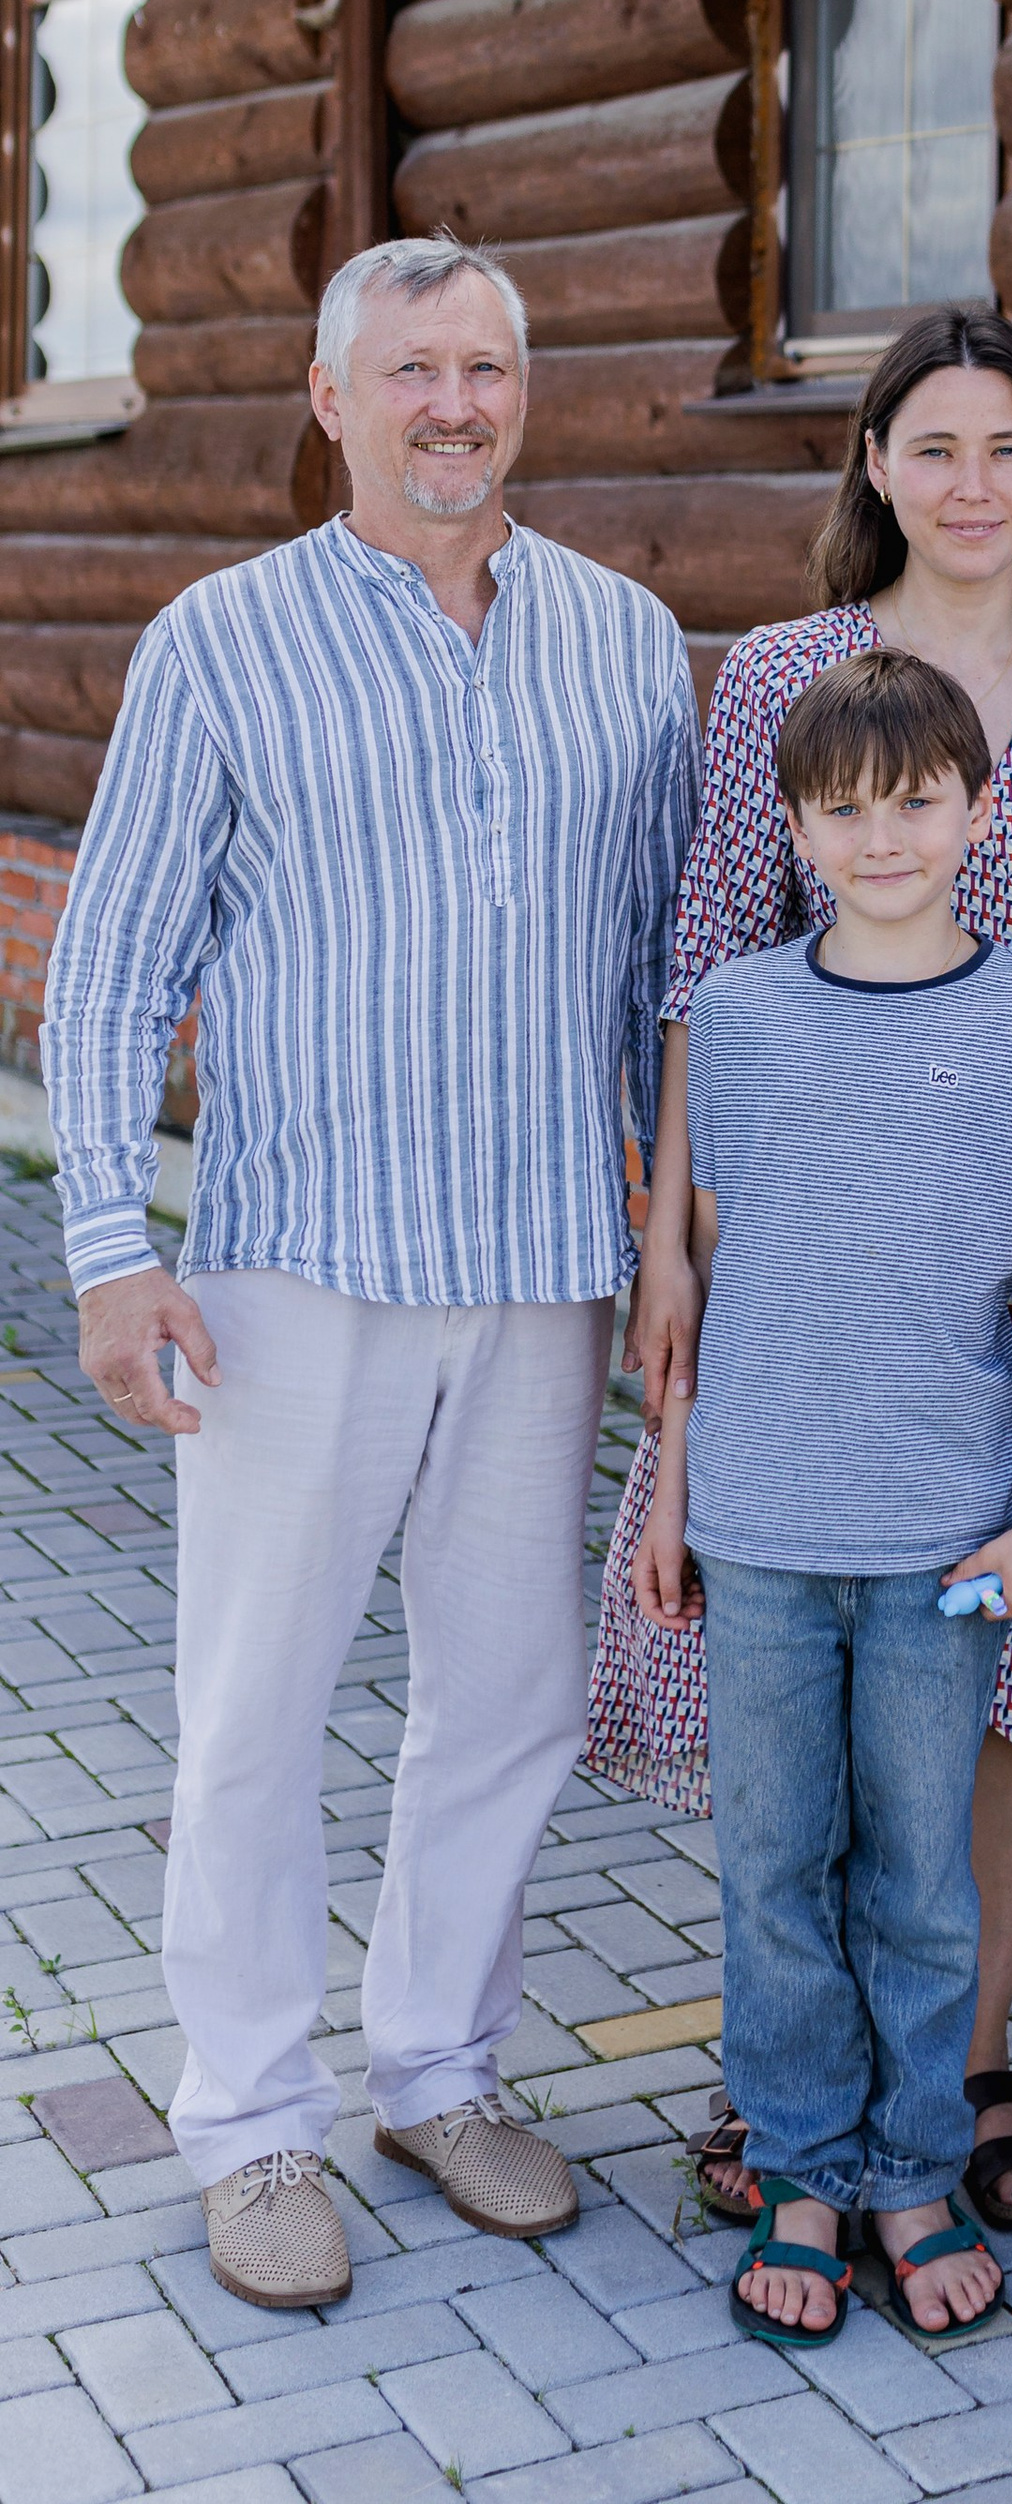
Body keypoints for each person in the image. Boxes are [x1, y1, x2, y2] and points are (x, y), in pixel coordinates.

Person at [45, 238, 697, 2311]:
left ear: (525, 393)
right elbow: (109, 967)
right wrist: (103, 1251)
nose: (452, 405)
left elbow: (664, 977)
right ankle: (248, 2120)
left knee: (503, 1703)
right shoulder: (217, 642)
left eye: (486, 367)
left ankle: (436, 2068)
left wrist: (672, 1250)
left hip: (538, 1265)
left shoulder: (623, 637)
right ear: (331, 401)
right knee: (255, 1710)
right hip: (292, 1264)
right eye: (409, 369)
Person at [594, 305, 1012, 2236]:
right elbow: (704, 975)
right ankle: (799, 2086)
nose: (968, 483)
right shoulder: (783, 672)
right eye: (930, 445)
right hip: (806, 1274)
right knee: (803, 1667)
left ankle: (961, 2062)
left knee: (1011, 1659)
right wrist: (669, 1242)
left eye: (1004, 448)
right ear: (874, 465)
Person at [633, 651, 1012, 2340]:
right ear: (795, 826)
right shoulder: (752, 1014)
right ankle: (796, 2165)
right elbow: (710, 1275)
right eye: (843, 808)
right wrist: (668, 1500)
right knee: (776, 1868)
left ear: (980, 810)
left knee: (919, 1878)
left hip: (945, 1536)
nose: (885, 835)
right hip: (763, 1526)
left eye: (918, 799)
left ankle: (913, 2165)